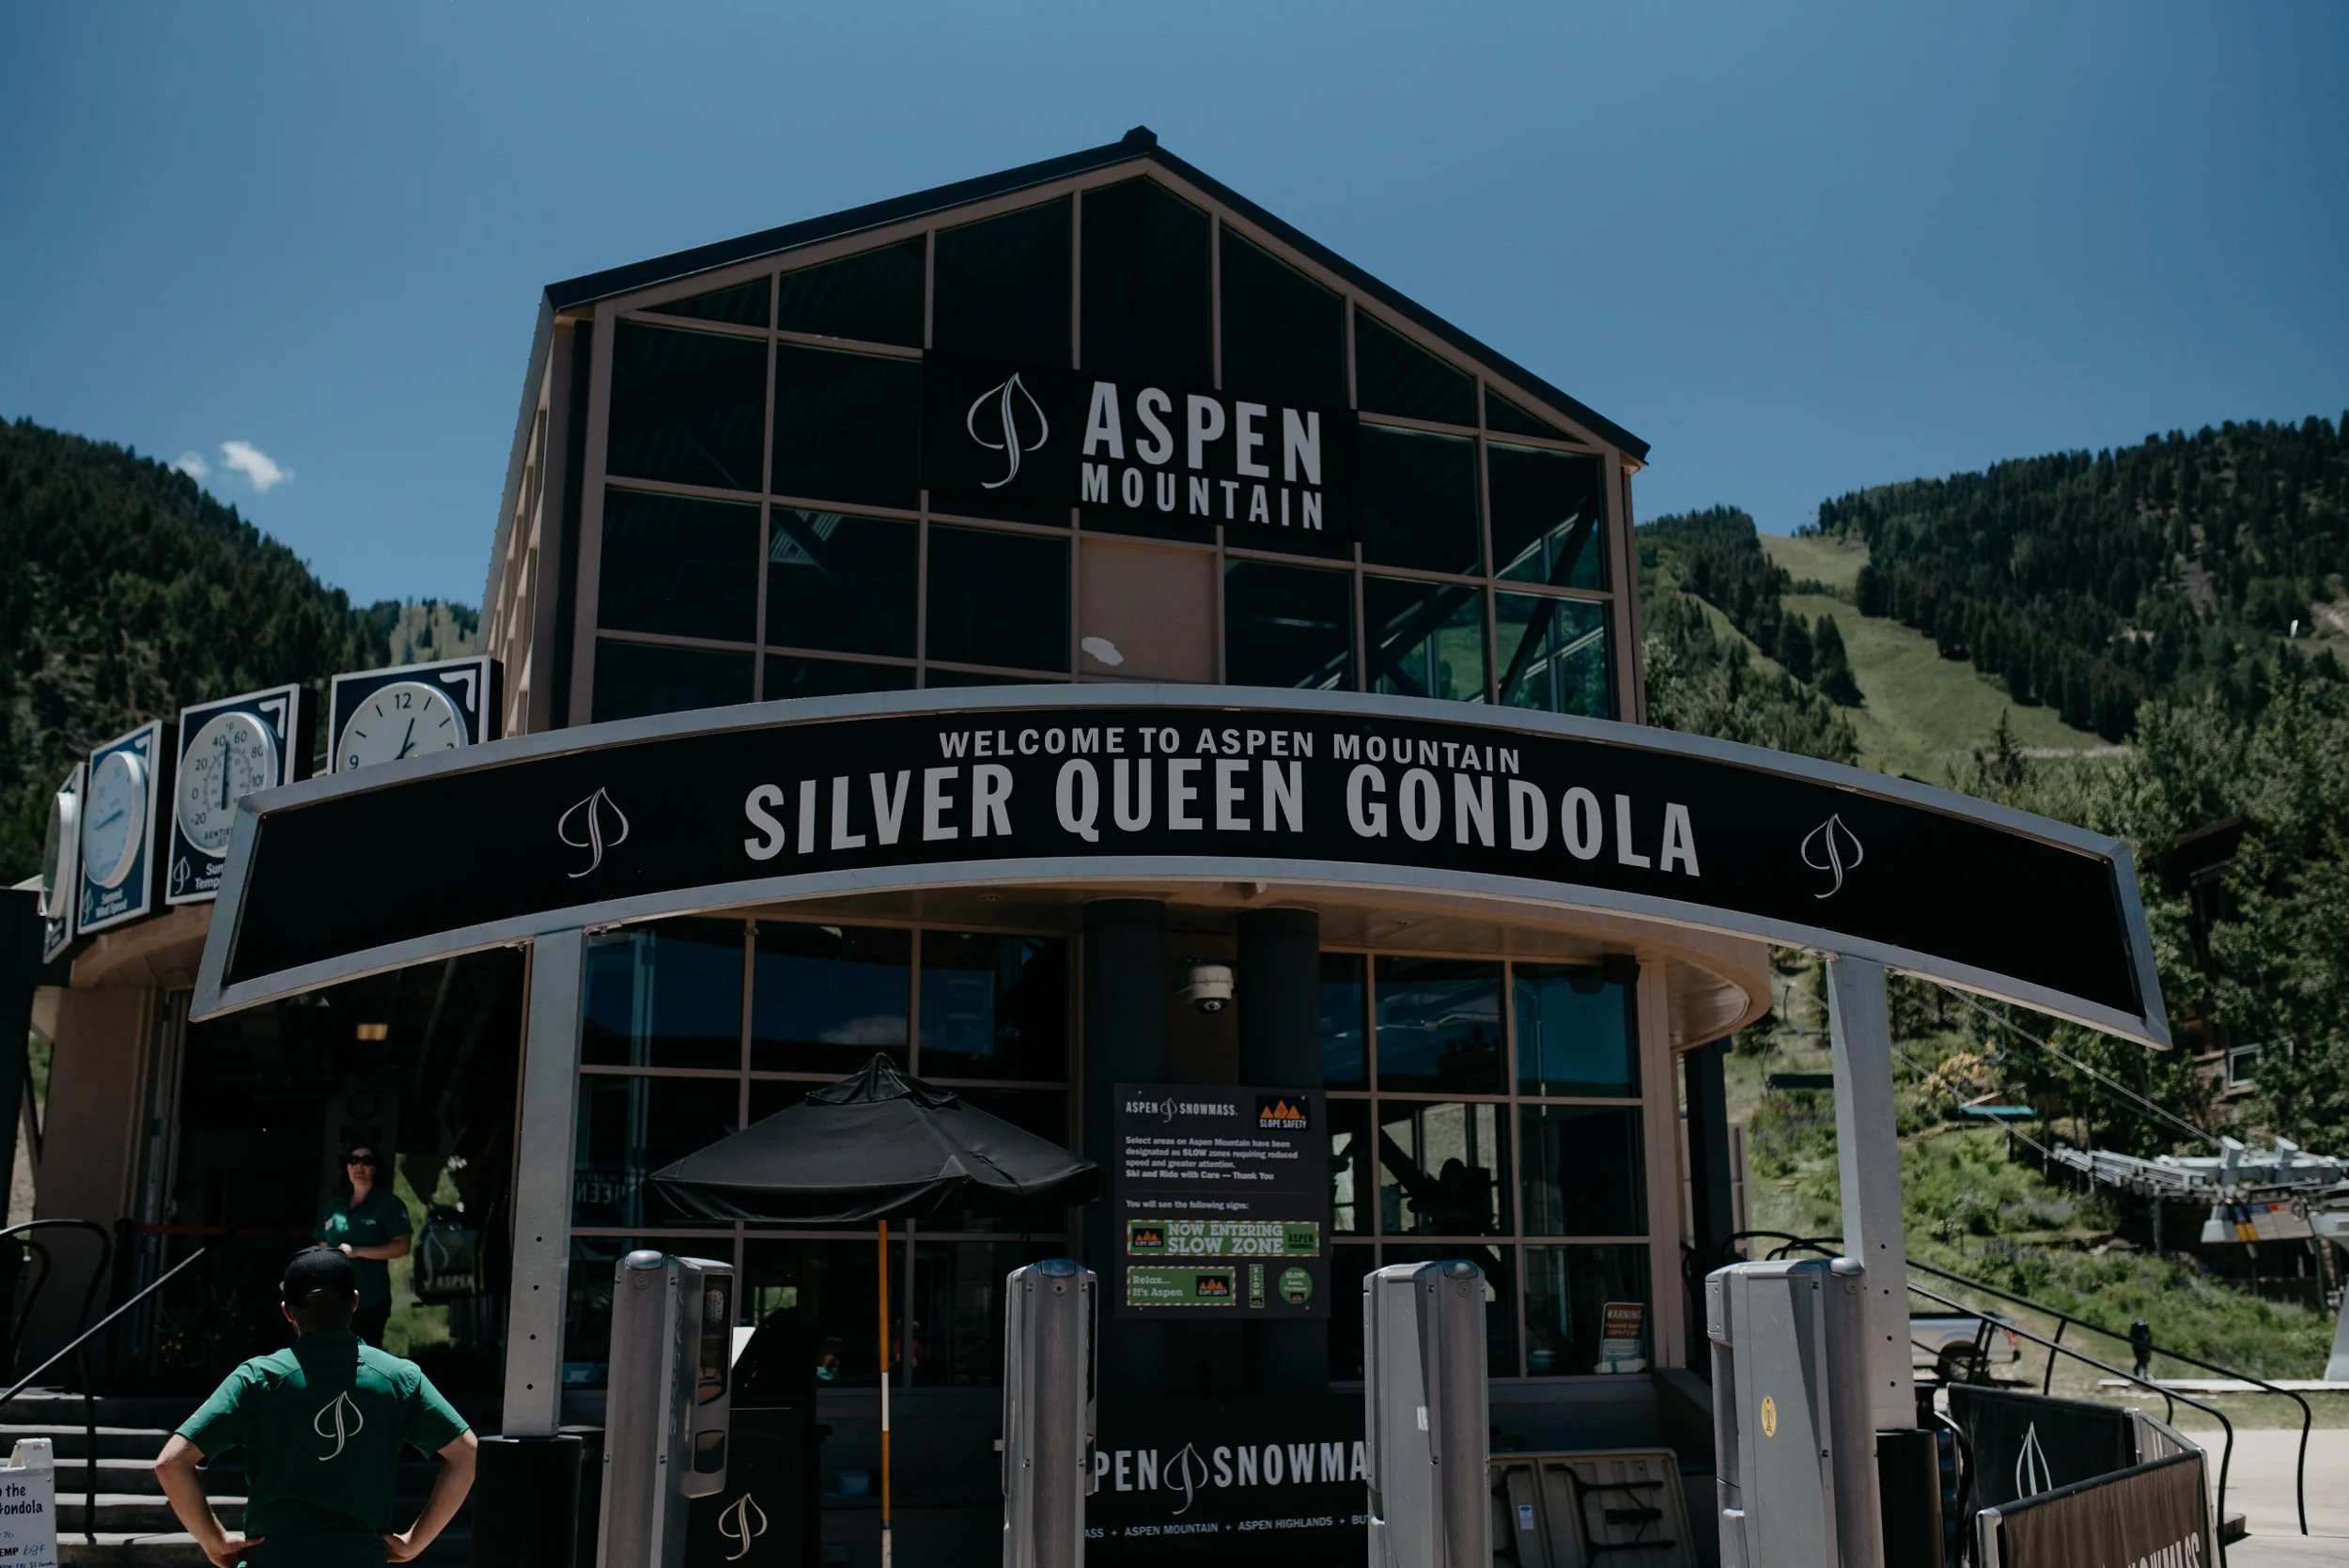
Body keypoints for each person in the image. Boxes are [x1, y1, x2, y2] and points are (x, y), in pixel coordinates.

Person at [155, 1248, 476, 1567]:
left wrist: (214, 1542)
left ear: (287, 1311)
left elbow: (171, 1464)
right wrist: (413, 1544)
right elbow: (467, 1454)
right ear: (354, 1302)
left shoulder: (257, 1379)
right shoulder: (398, 1378)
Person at [315, 1147, 412, 1346]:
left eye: (366, 1160)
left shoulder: (388, 1204)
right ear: (347, 1167)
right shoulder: (333, 1206)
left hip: (370, 1300)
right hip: (332, 1300)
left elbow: (402, 1246)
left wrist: (357, 1252)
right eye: (353, 1160)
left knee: (365, 1360)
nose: (359, 1166)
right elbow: (322, 1245)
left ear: (375, 1168)